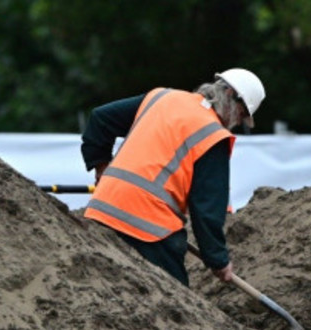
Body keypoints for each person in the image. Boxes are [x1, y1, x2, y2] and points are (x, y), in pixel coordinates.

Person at [80, 68, 265, 287]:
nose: (237, 123)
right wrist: (219, 260)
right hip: (149, 227)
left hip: (102, 209)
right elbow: (207, 209)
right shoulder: (213, 135)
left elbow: (101, 118)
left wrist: (101, 167)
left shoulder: (162, 97)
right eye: (242, 115)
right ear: (230, 96)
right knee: (178, 304)